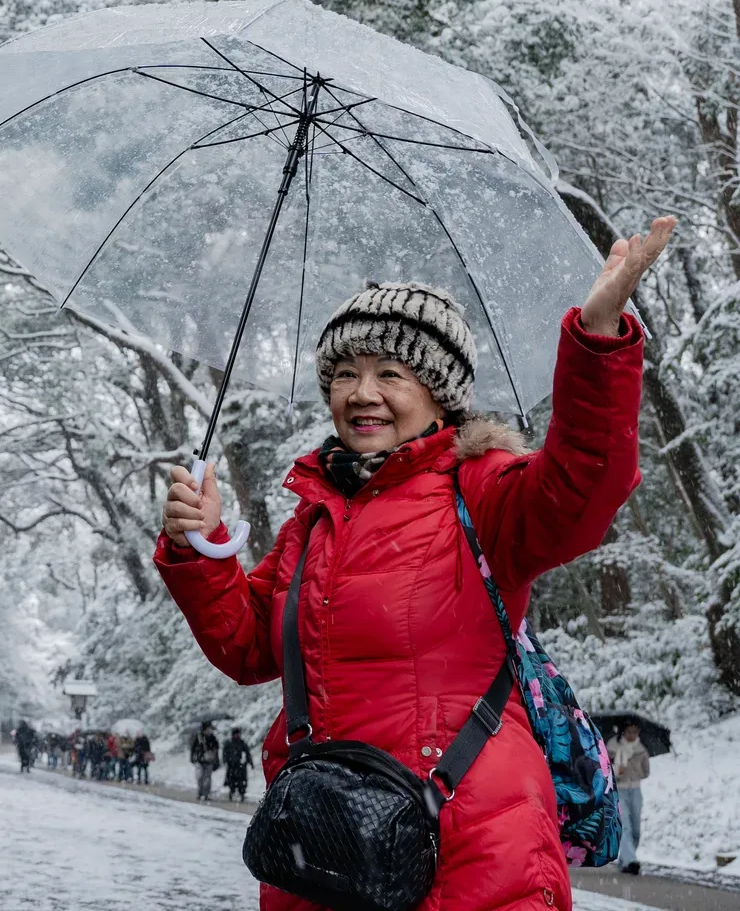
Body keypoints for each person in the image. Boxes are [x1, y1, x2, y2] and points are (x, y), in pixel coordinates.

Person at [158, 222, 673, 911]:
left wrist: (598, 337)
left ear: (441, 394)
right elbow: (248, 645)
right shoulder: (314, 519)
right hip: (327, 850)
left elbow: (585, 484)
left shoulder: (482, 490)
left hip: (471, 851)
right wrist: (201, 544)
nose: (361, 393)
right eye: (344, 374)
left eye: (390, 374)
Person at [608, 720, 652, 875]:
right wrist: (616, 770)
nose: (632, 735)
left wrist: (634, 769)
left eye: (635, 731)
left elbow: (646, 772)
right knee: (624, 825)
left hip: (635, 790)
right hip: (619, 791)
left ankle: (625, 858)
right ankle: (631, 860)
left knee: (635, 829)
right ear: (623, 732)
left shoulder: (641, 750)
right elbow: (604, 768)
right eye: (629, 732)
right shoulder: (612, 748)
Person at [190, 720, 221, 800]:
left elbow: (217, 748)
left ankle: (206, 794)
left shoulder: (212, 737)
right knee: (200, 777)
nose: (209, 730)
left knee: (207, 778)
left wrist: (214, 755)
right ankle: (200, 792)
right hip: (199, 760)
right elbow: (193, 748)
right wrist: (192, 757)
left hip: (209, 760)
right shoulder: (199, 737)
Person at [222, 725, 253, 802]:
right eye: (235, 734)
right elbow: (225, 753)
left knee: (241, 782)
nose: (237, 735)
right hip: (232, 766)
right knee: (231, 781)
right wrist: (225, 761)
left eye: (238, 734)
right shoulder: (229, 743)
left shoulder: (242, 743)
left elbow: (247, 753)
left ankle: (242, 794)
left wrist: (250, 762)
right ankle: (231, 792)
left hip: (241, 766)